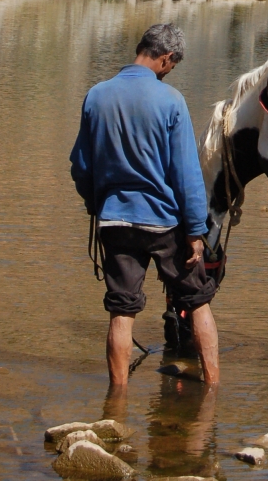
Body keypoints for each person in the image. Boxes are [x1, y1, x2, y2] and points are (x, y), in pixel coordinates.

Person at [70, 23, 219, 389]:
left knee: (121, 311)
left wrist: (97, 204)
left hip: (113, 220)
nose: (169, 73)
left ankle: (116, 401)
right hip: (163, 224)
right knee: (198, 300)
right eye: (172, 66)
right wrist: (196, 230)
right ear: (166, 58)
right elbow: (186, 173)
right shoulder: (171, 102)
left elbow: (81, 166)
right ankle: (213, 391)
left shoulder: (96, 95)